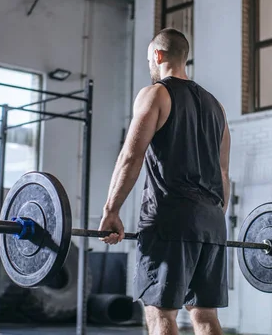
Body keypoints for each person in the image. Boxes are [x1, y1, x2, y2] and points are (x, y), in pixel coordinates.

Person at [97, 28, 231, 335]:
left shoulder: (156, 94)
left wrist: (111, 210)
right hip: (212, 222)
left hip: (170, 220)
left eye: (148, 59)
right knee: (205, 316)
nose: (149, 66)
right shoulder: (217, 107)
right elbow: (223, 173)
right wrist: (209, 223)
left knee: (161, 314)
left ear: (157, 56)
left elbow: (131, 156)